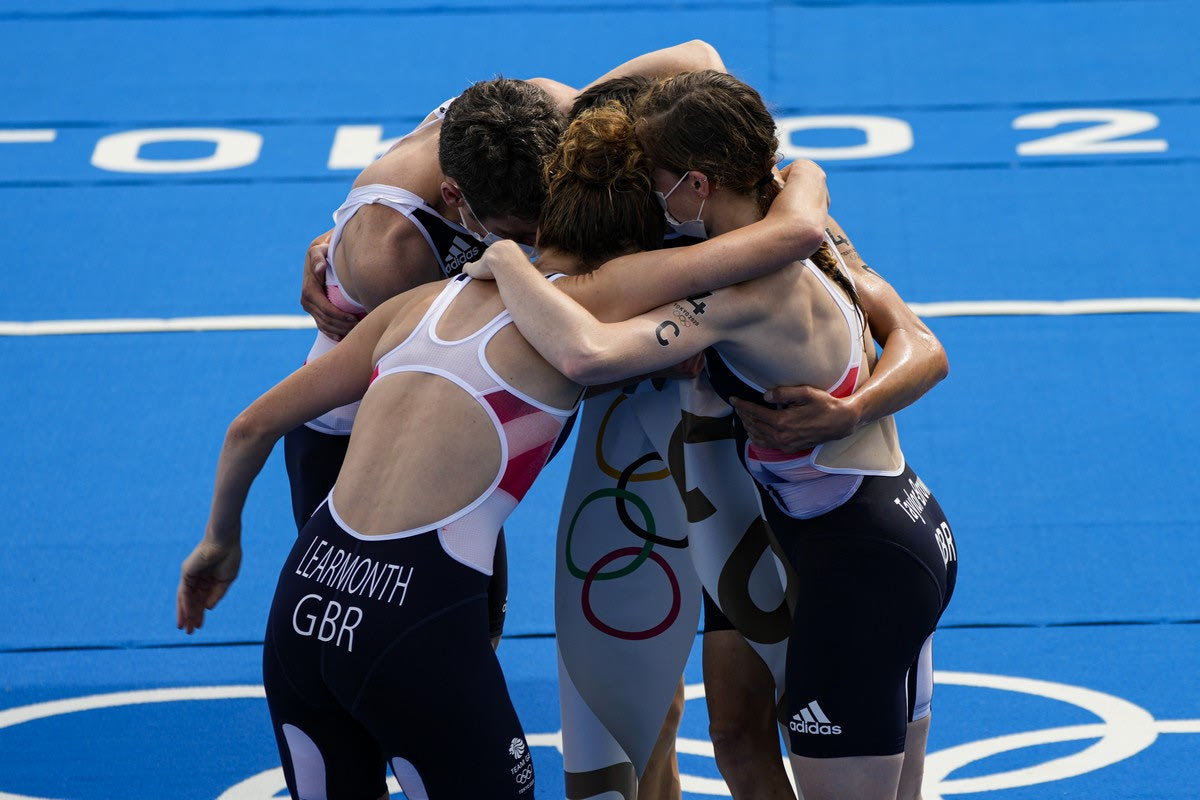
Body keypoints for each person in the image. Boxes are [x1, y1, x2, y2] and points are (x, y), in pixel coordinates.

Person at [176, 104, 833, 799]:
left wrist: (219, 544)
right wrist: (804, 172)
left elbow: (248, 428)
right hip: (413, 615)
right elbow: (788, 238)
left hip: (303, 599)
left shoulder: (415, 301)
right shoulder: (598, 298)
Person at [468, 74, 958, 800]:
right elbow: (908, 324)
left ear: (697, 184)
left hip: (856, 562)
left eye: (656, 179)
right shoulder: (807, 225)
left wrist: (508, 261)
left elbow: (587, 354)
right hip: (900, 524)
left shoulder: (745, 291)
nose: (650, 193)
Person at [287, 42, 730, 663]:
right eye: (522, 235)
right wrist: (664, 341)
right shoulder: (393, 254)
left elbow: (700, 57)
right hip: (360, 422)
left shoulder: (545, 111)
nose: (541, 242)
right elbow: (512, 373)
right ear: (456, 199)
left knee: (466, 611)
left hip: (447, 364)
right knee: (377, 623)